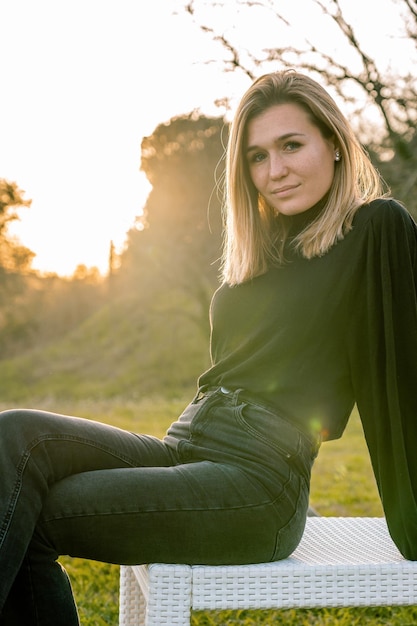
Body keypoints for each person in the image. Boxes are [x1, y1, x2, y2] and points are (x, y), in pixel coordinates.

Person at [1, 69, 417, 624]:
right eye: (257, 156)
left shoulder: (374, 228)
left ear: (336, 145)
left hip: (259, 482)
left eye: (292, 146)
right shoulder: (263, 251)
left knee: (27, 512)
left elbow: (402, 378)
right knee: (15, 437)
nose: (276, 170)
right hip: (188, 446)